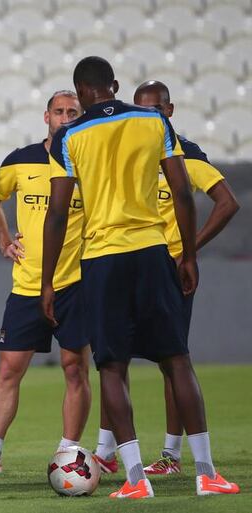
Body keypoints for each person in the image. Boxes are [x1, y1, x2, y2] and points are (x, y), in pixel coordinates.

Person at [42, 56, 240, 498]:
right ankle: (207, 474)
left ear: (80, 91)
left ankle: (135, 480)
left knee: (111, 367)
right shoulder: (153, 121)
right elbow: (183, 195)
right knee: (177, 360)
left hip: (102, 258)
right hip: (154, 251)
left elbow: (56, 217)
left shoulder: (69, 136)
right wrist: (187, 255)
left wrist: (48, 282)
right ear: (114, 85)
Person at [92, 80, 240, 476]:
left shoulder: (186, 154)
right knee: (115, 360)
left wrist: (187, 250)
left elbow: (227, 203)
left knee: (171, 360)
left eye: (155, 109)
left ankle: (171, 456)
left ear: (169, 111)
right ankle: (106, 451)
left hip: (170, 270)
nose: (148, 114)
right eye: (141, 108)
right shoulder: (133, 152)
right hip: (136, 261)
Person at [0, 90, 90, 473]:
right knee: (9, 370)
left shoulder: (88, 162)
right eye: (58, 111)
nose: (64, 117)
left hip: (75, 283)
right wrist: (3, 240)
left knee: (75, 368)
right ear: (46, 117)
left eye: (72, 112)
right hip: (27, 284)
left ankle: (68, 450)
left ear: (81, 116)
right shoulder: (20, 160)